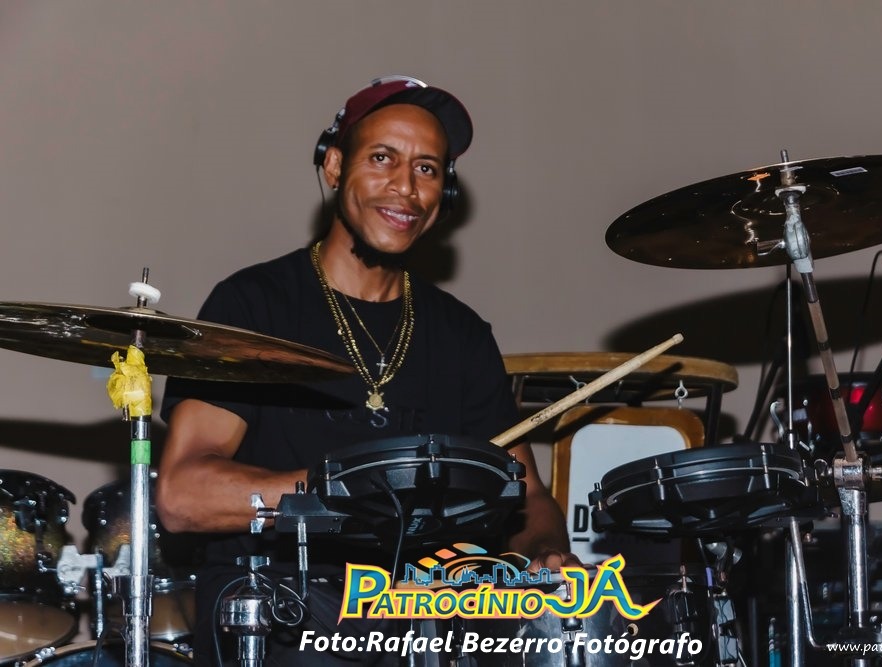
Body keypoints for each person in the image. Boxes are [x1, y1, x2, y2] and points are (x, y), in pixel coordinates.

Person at [156, 75, 573, 665]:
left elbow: (526, 496)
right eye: (382, 158)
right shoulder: (252, 306)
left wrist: (547, 552)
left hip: (423, 618)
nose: (406, 186)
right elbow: (182, 495)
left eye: (427, 168)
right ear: (333, 166)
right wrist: (354, 491)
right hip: (284, 610)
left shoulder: (462, 335)